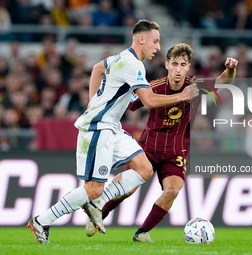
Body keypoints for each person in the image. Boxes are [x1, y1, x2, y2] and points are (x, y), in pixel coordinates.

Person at [27, 20, 199, 244]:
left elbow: (98, 68)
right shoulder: (134, 65)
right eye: (155, 41)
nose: (158, 47)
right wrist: (182, 96)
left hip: (112, 127)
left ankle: (97, 206)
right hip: (98, 129)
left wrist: (92, 100)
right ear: (141, 40)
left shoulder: (122, 57)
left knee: (144, 168)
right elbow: (148, 100)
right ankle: (42, 220)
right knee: (93, 189)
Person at [85, 43, 238, 242]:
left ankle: (142, 233)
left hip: (176, 151)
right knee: (127, 190)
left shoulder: (195, 86)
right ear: (167, 64)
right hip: (148, 148)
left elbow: (223, 80)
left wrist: (231, 69)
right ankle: (99, 213)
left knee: (173, 190)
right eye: (174, 63)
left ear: (188, 67)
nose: (178, 69)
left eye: (183, 64)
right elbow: (129, 103)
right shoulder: (153, 87)